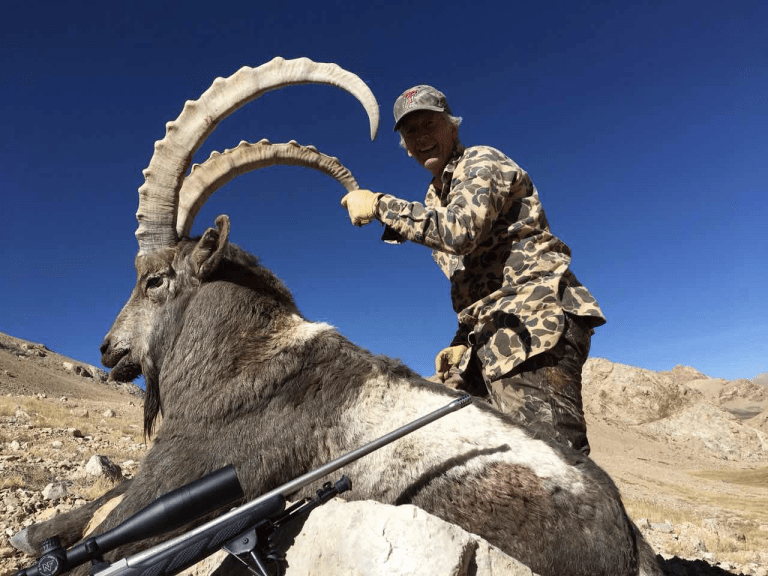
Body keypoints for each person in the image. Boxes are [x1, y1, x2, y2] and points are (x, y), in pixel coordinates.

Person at [341, 85, 605, 455]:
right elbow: (473, 278)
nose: (421, 137)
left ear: (452, 127)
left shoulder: (481, 162)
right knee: (476, 454)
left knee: (553, 461)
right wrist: (462, 342)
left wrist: (381, 205)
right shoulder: (435, 198)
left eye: (429, 124)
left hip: (532, 321)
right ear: (404, 145)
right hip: (493, 337)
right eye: (410, 132)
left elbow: (460, 231)